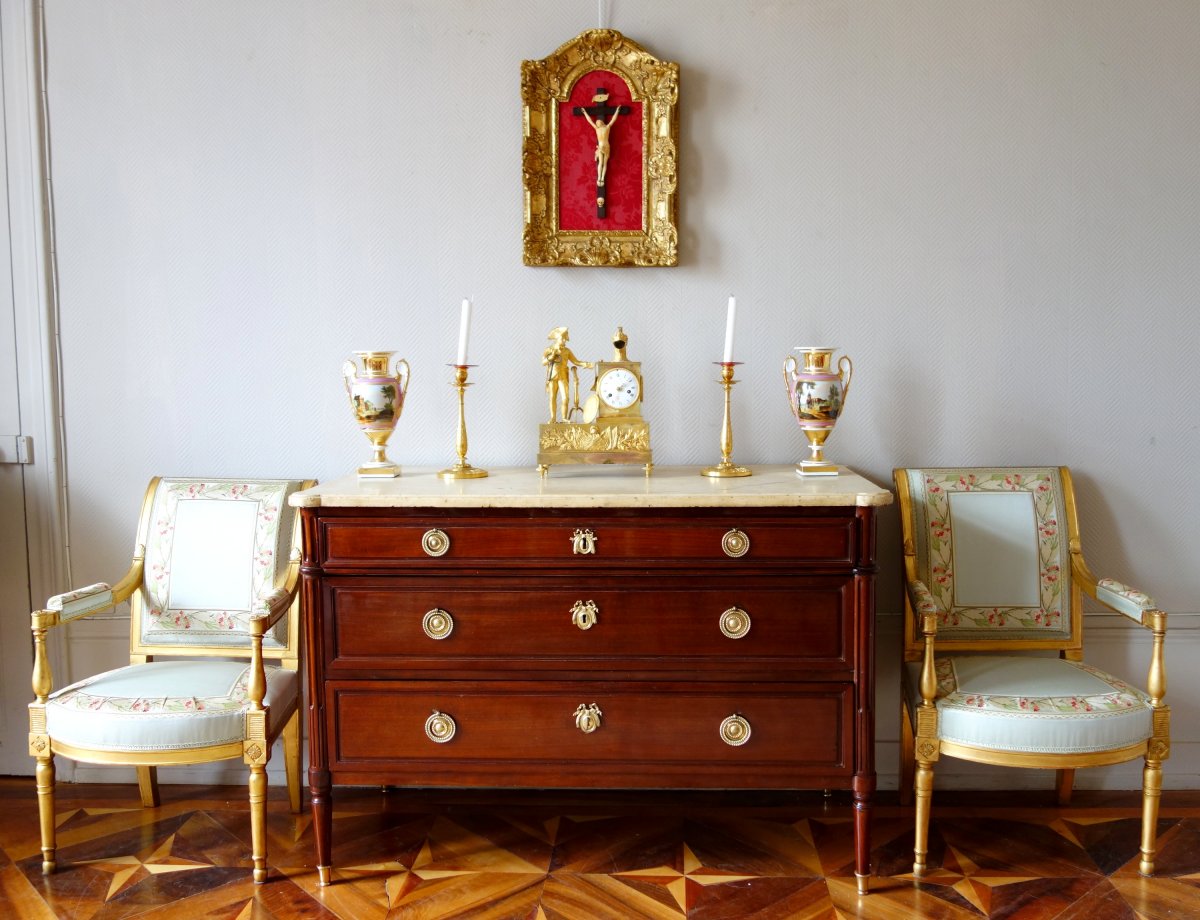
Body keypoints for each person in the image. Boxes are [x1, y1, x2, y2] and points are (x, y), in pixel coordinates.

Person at [542, 327, 593, 422]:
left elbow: (576, 361)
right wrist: (551, 357)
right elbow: (543, 362)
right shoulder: (549, 349)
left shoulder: (567, 351)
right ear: (557, 338)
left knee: (565, 398)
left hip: (563, 376)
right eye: (563, 338)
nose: (565, 340)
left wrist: (586, 364)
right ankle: (553, 418)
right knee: (552, 397)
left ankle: (564, 418)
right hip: (552, 375)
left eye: (565, 338)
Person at [581, 105, 620, 186]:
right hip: (600, 147)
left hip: (606, 147)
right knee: (600, 163)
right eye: (597, 123)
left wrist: (617, 111)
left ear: (602, 123)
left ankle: (602, 178)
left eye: (598, 122)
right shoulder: (597, 129)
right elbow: (590, 121)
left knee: (604, 163)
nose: (597, 123)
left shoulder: (607, 127)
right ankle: (599, 178)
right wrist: (585, 113)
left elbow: (613, 119)